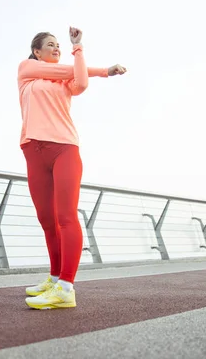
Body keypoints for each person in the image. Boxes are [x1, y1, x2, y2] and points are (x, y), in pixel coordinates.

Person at [18, 27, 126, 310]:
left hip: (64, 149)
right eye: (50, 45)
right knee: (46, 219)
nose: (56, 48)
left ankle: (66, 287)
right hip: (33, 150)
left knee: (66, 216)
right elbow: (69, 72)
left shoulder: (66, 81)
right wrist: (102, 70)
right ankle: (54, 279)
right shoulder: (27, 70)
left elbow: (80, 80)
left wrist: (78, 47)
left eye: (59, 45)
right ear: (36, 52)